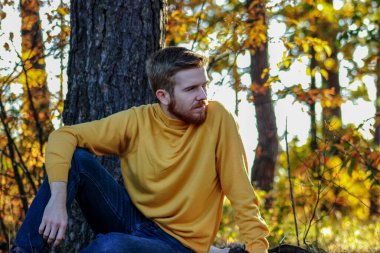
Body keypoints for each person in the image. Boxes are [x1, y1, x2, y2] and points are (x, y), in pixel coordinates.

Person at [11, 46, 269, 253]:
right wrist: (57, 200)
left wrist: (258, 249)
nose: (202, 95)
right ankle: (24, 250)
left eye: (204, 85)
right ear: (163, 96)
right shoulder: (138, 121)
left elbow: (242, 194)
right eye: (191, 89)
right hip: (133, 220)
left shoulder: (218, 118)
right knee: (77, 159)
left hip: (179, 245)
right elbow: (63, 136)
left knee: (110, 246)